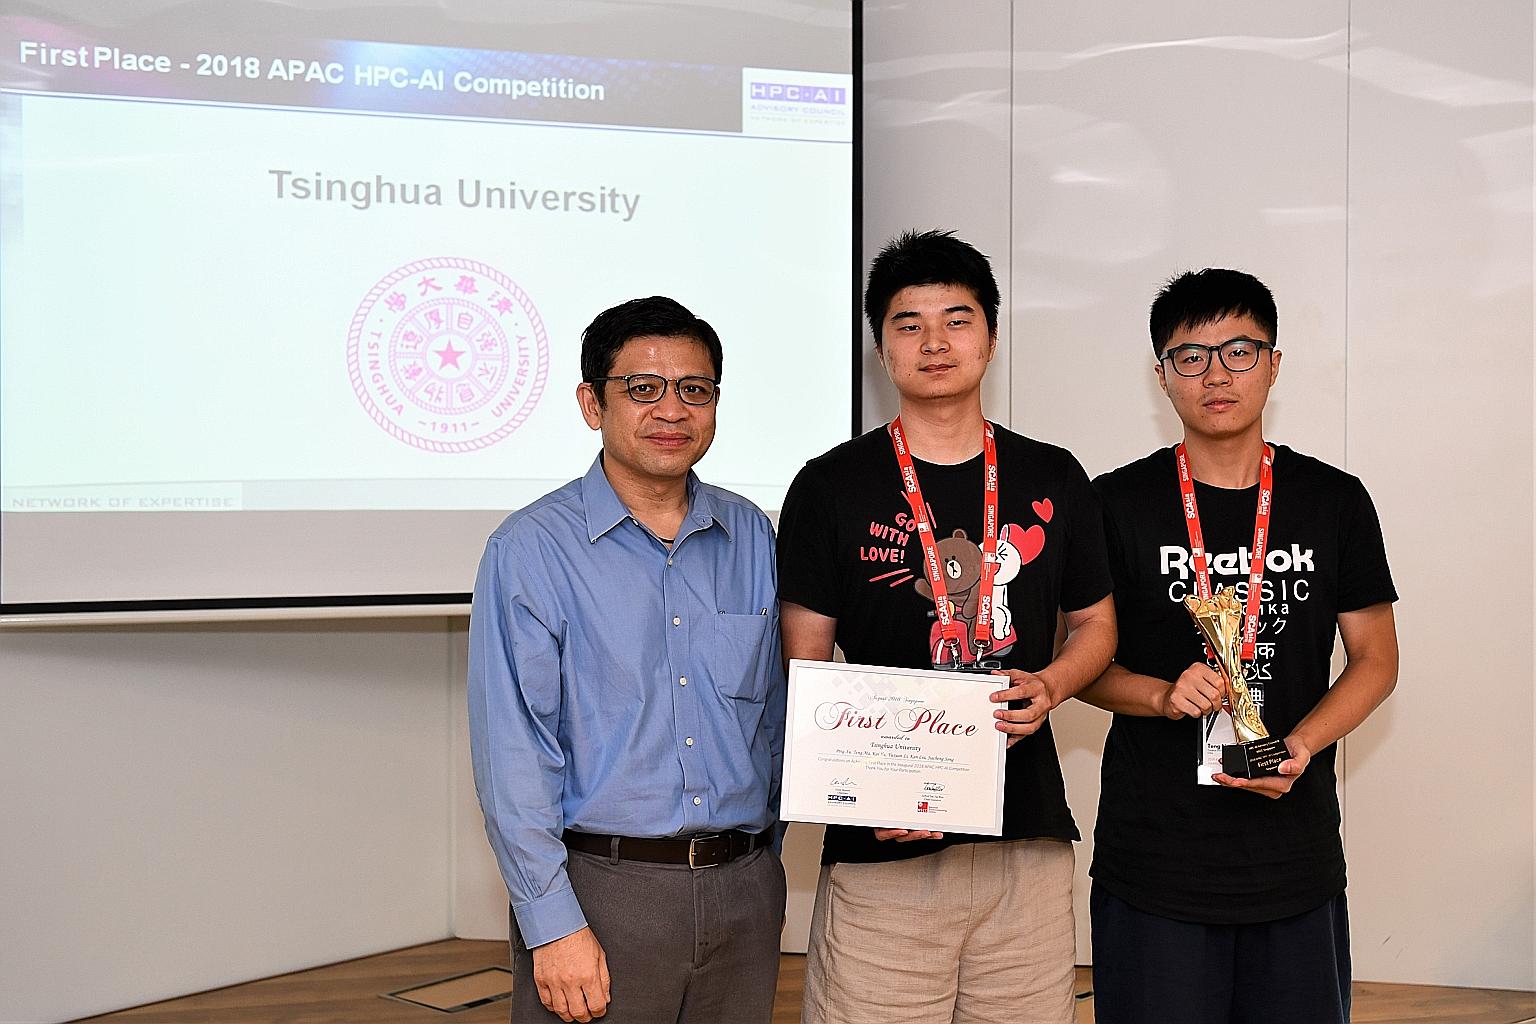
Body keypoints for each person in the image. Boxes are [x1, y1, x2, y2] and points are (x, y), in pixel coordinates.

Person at [776, 229, 1117, 1024]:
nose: (934, 342)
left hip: (1023, 845)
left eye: (957, 320)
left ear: (991, 338)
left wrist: (1053, 685)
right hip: (883, 851)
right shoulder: (830, 486)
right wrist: (864, 783)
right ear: (881, 348)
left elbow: (1097, 625)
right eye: (908, 324)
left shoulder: (1052, 473)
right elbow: (807, 664)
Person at [1079, 269, 1400, 1024]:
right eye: (1190, 356)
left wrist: (1304, 744)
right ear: (1162, 376)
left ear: (1275, 364)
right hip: (1153, 863)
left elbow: (1377, 659)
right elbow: (1083, 665)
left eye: (1239, 350)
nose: (1216, 373)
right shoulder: (1114, 502)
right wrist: (1159, 696)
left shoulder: (1333, 500)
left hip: (1294, 861)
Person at [468, 296, 786, 1024]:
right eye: (642, 388)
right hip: (603, 893)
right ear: (592, 403)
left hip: (745, 889)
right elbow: (513, 755)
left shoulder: (754, 537)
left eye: (694, 390)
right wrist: (552, 924)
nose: (671, 409)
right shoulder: (530, 550)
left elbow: (774, 718)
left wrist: (762, 863)